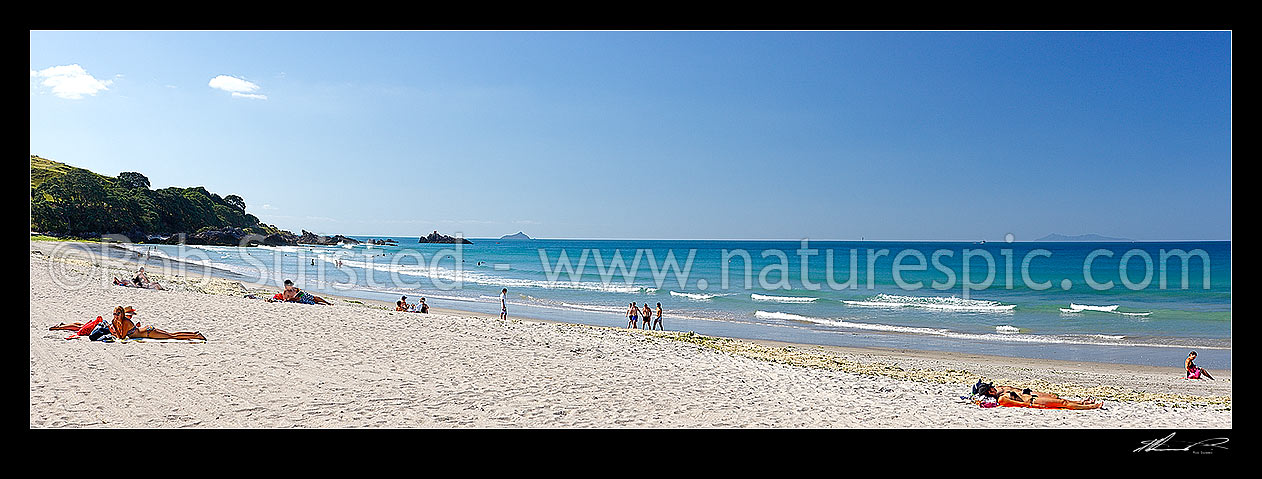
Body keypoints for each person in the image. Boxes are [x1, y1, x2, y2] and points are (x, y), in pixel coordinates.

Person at [51, 306, 205, 341]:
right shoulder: (114, 321)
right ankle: (195, 334)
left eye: (117, 314)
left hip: (148, 332)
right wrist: (112, 329)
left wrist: (113, 331)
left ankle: (196, 335)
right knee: (172, 336)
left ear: (122, 315)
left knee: (172, 336)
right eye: (114, 314)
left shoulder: (125, 322)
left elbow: (122, 337)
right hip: (142, 331)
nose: (115, 316)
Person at [972, 380, 1100, 410]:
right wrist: (1037, 405)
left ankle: (1082, 403)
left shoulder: (1002, 392)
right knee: (1063, 404)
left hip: (1034, 397)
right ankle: (1091, 407)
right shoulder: (1002, 398)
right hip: (1034, 402)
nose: (994, 387)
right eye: (991, 387)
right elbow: (1022, 404)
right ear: (989, 391)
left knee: (1058, 398)